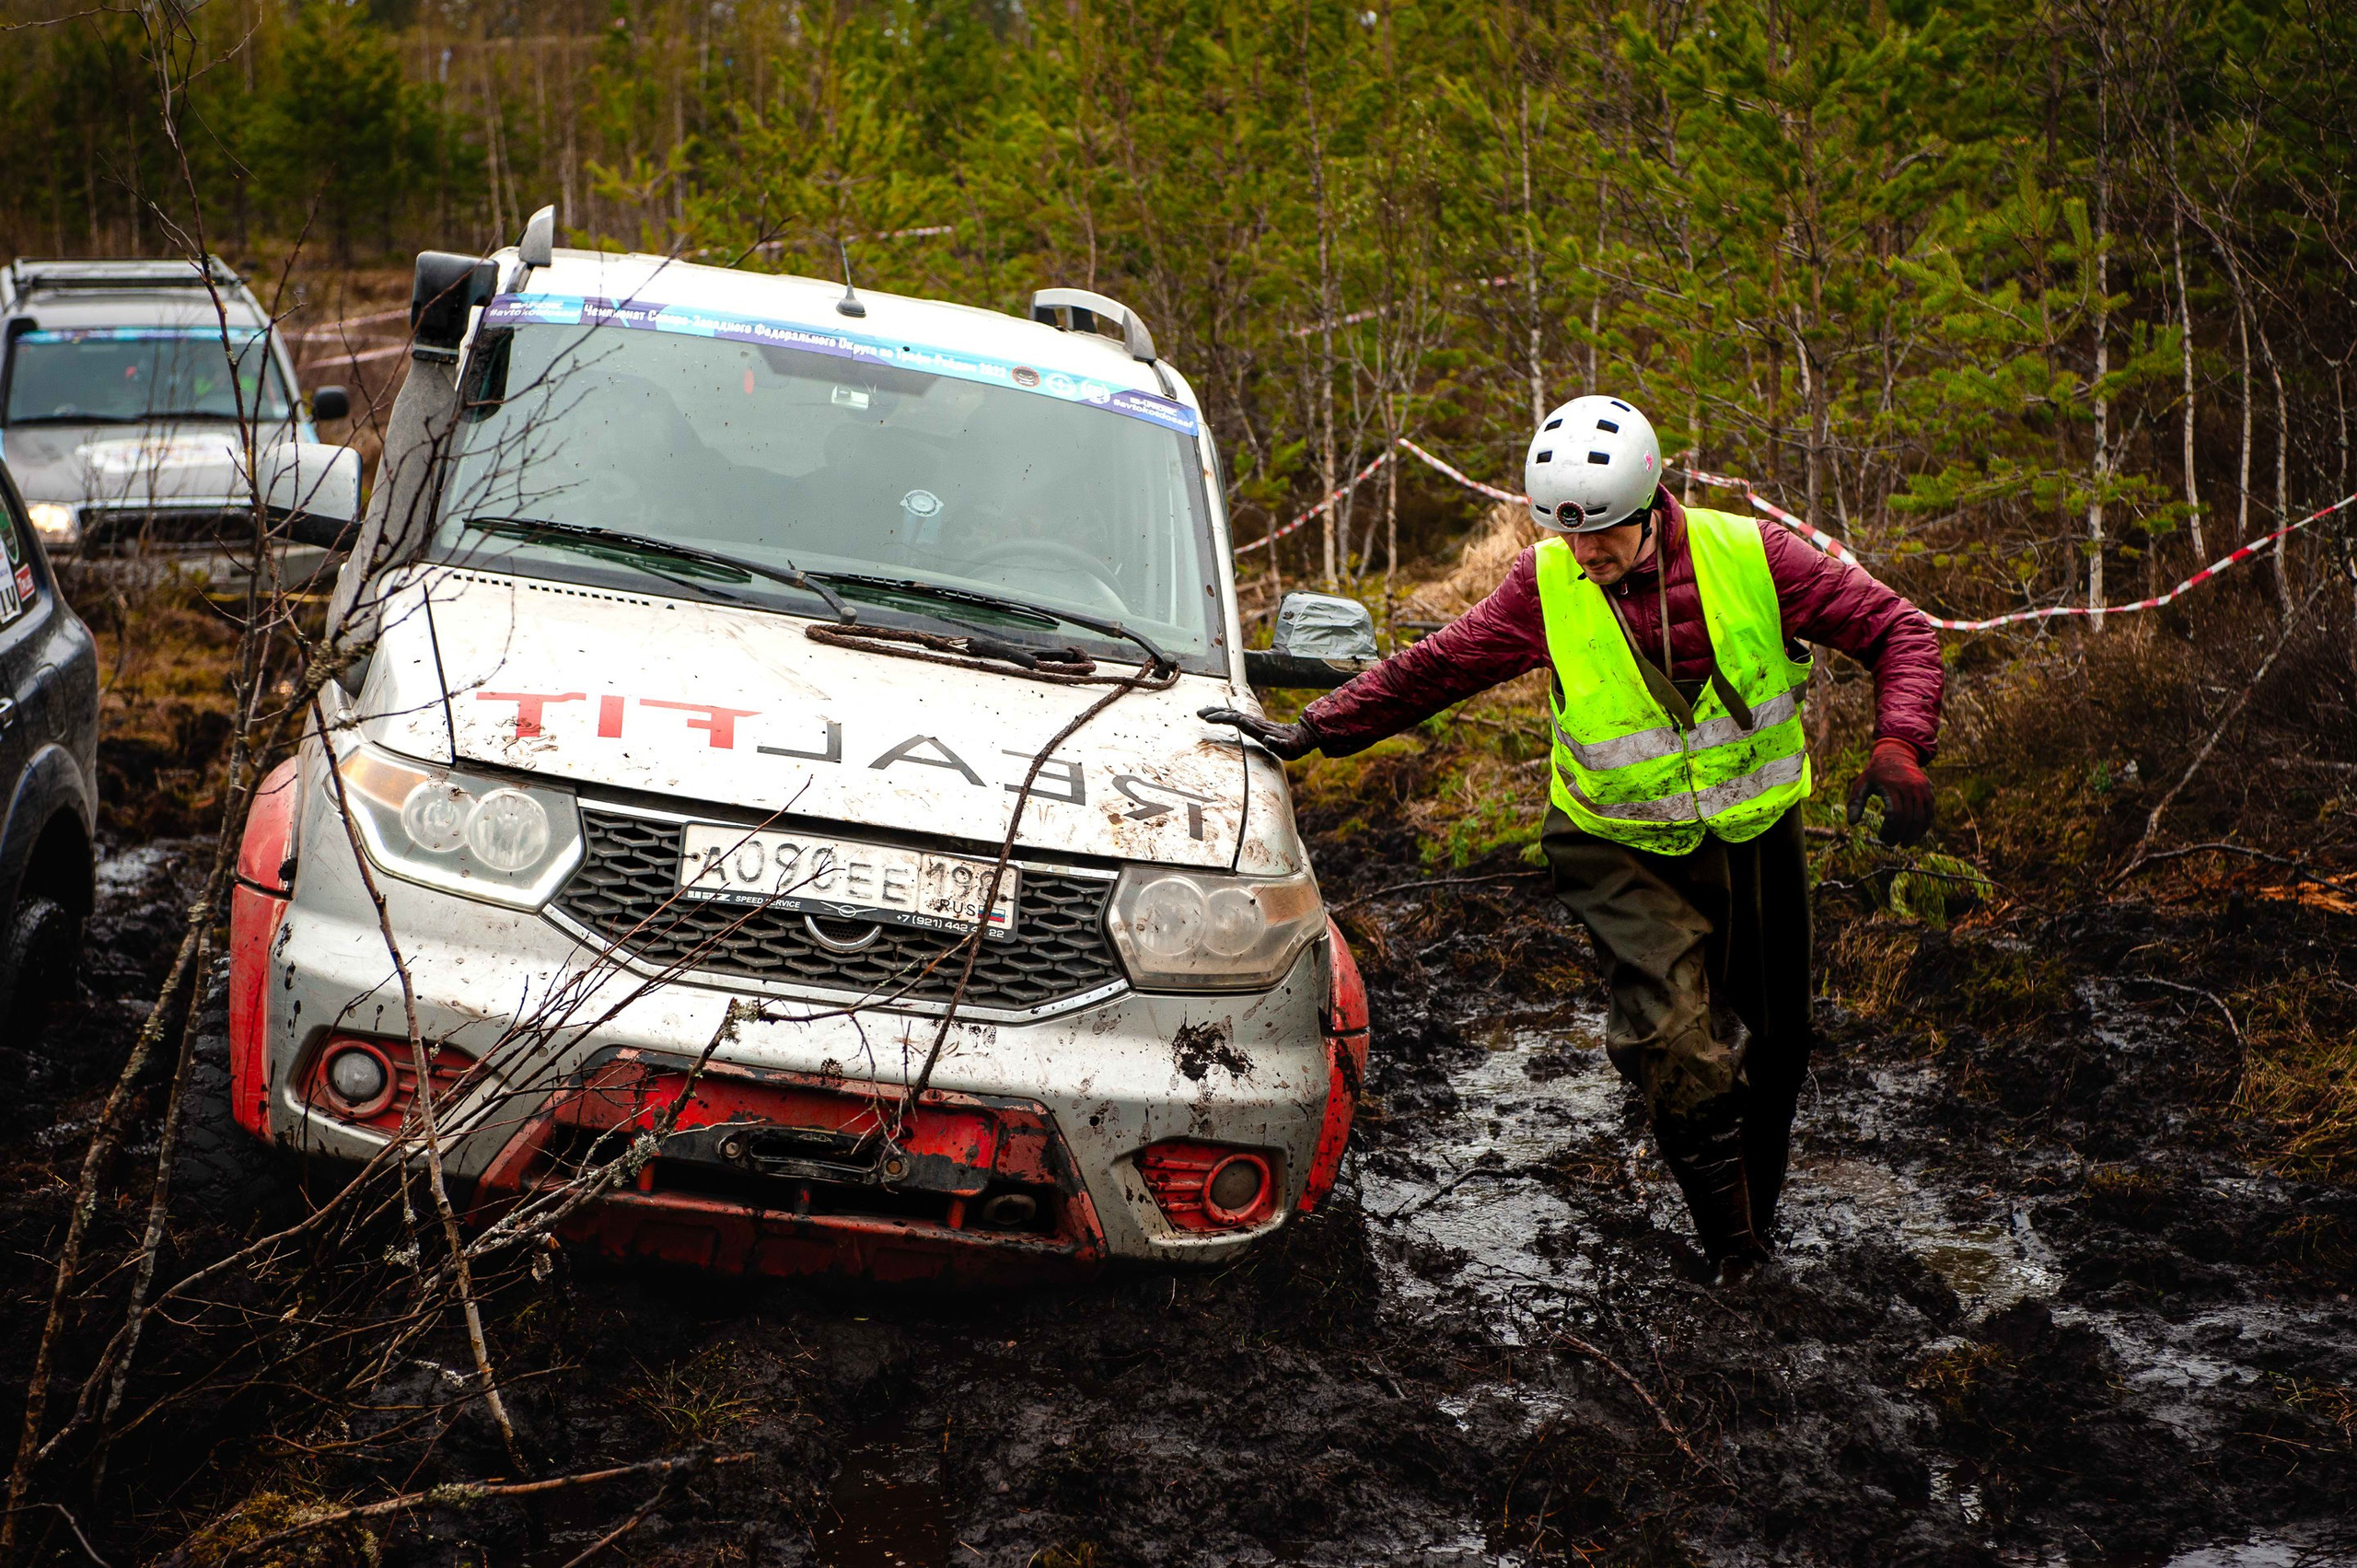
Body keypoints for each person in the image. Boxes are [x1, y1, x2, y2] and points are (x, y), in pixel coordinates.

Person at [1204, 396, 1943, 1284]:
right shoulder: (1544, 583)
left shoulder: (1752, 555)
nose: (1585, 554)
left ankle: (1760, 1220)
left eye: (1604, 535)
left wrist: (1900, 744)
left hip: (1755, 835)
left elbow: (1900, 628)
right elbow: (1440, 664)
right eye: (1566, 533)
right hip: (1615, 846)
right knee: (1675, 1038)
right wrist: (1320, 728)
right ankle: (1738, 1259)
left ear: (1650, 505)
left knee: (1778, 1047)